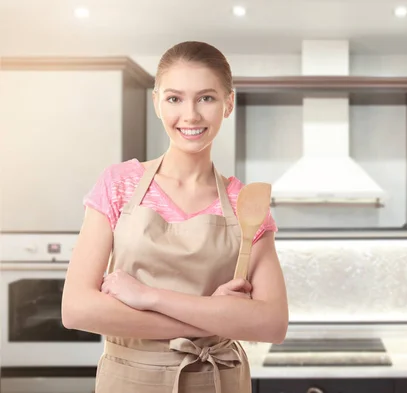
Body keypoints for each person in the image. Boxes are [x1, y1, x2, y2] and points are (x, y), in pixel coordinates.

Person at [61, 41, 289, 393]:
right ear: (156, 102)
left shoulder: (246, 203)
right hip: (130, 379)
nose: (191, 115)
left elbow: (272, 324)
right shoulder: (119, 185)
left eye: (206, 98)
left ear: (228, 103)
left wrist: (148, 296)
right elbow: (77, 309)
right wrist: (214, 317)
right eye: (175, 98)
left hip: (218, 381)